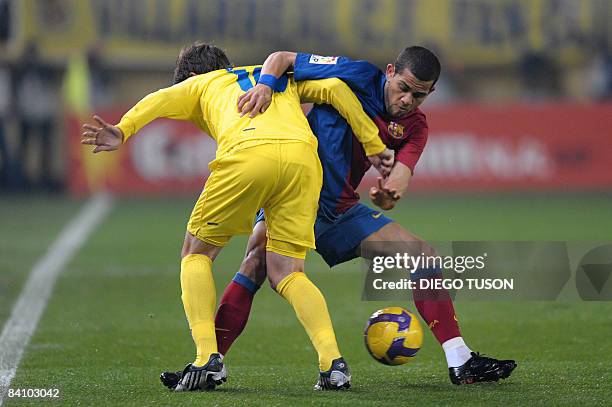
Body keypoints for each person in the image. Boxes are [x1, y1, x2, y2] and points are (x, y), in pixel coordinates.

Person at [81, 42, 393, 391]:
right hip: (303, 161)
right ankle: (332, 364)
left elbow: (159, 99)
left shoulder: (201, 83)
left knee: (196, 253)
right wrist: (373, 143)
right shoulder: (273, 75)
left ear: (194, 75)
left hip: (248, 154)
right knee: (288, 272)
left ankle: (206, 359)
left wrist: (123, 129)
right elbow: (334, 88)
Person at [209, 47, 517, 385]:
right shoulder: (355, 74)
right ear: (389, 72)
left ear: (432, 92)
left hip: (340, 209)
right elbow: (281, 58)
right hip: (291, 196)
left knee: (423, 256)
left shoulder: (416, 127)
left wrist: (387, 196)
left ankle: (460, 360)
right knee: (254, 262)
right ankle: (212, 361)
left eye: (419, 94)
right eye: (403, 87)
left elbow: (398, 182)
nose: (407, 100)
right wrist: (266, 84)